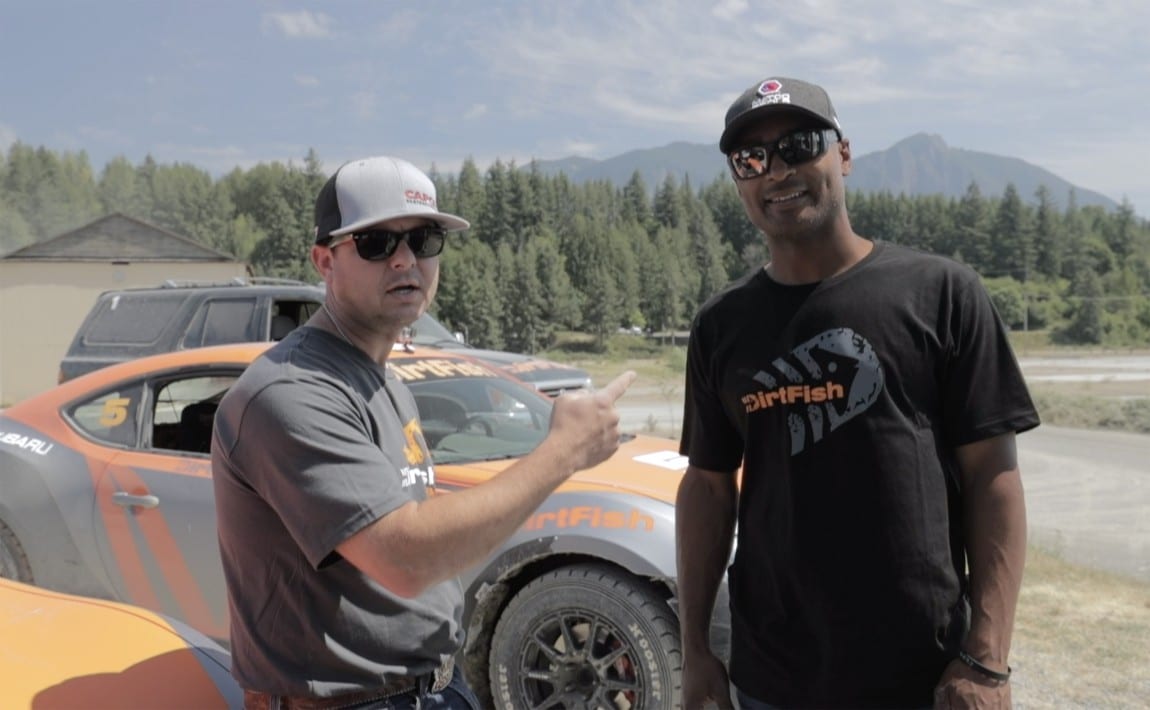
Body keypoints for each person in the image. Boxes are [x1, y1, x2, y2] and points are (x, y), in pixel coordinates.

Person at [211, 155, 635, 709]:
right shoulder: (292, 391)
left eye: (424, 239)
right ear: (324, 261)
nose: (405, 259)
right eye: (376, 243)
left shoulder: (385, 381)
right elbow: (405, 558)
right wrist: (561, 453)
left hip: (432, 686)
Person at [674, 77, 1039, 709]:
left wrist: (987, 657)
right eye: (750, 159)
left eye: (798, 145)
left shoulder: (942, 294)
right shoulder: (720, 326)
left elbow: (994, 478)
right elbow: (707, 487)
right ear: (738, 180)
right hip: (770, 682)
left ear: (842, 154)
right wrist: (696, 649)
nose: (775, 171)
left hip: (923, 679)